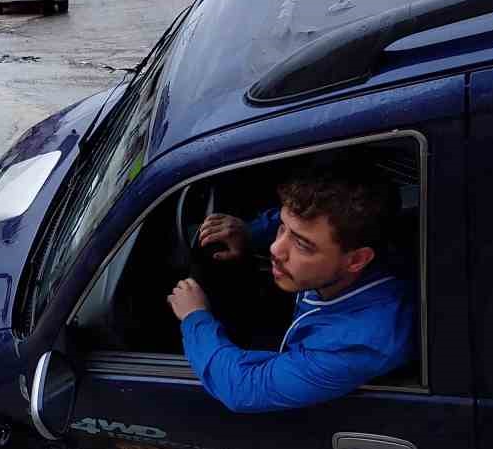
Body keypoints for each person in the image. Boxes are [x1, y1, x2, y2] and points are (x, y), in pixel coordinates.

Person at [166, 168, 416, 413]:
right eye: (283, 228)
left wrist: (195, 317)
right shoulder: (341, 255)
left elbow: (244, 387)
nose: (275, 248)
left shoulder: (357, 343)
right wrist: (249, 232)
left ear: (356, 260)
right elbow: (298, 221)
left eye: (302, 244)